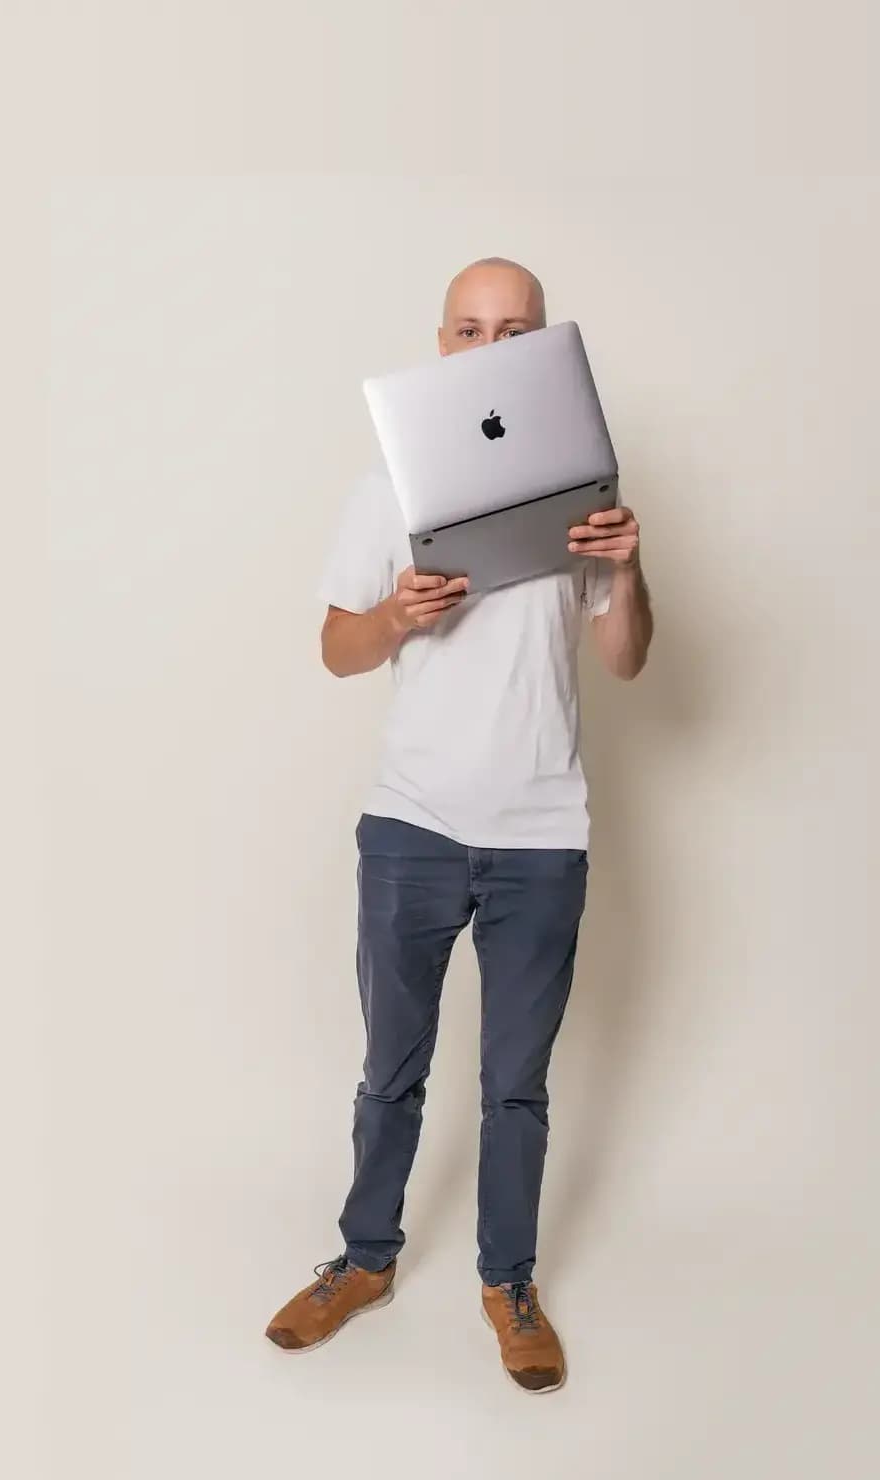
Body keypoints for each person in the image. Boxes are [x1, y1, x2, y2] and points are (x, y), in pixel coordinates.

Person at [266, 258, 653, 1392]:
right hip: (412, 825)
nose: (491, 348)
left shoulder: (587, 491)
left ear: (545, 347)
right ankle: (364, 1258)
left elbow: (626, 661)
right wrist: (396, 613)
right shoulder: (383, 485)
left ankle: (508, 1281)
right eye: (472, 329)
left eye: (515, 330)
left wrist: (627, 574)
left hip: (543, 833)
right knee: (390, 1070)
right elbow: (336, 649)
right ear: (442, 345)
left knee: (515, 1085)